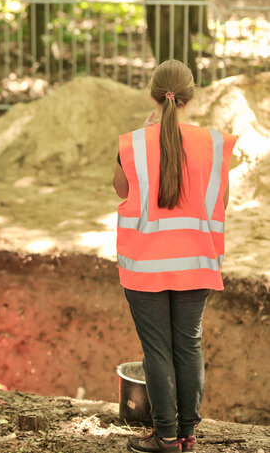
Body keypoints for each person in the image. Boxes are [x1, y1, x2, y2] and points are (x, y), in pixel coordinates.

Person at [114, 59, 236, 453]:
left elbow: (121, 189)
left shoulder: (133, 142)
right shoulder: (216, 143)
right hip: (197, 262)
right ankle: (186, 435)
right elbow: (223, 201)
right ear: (190, 96)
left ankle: (164, 435)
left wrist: (149, 134)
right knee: (189, 346)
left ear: (152, 95)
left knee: (157, 349)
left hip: (145, 264)